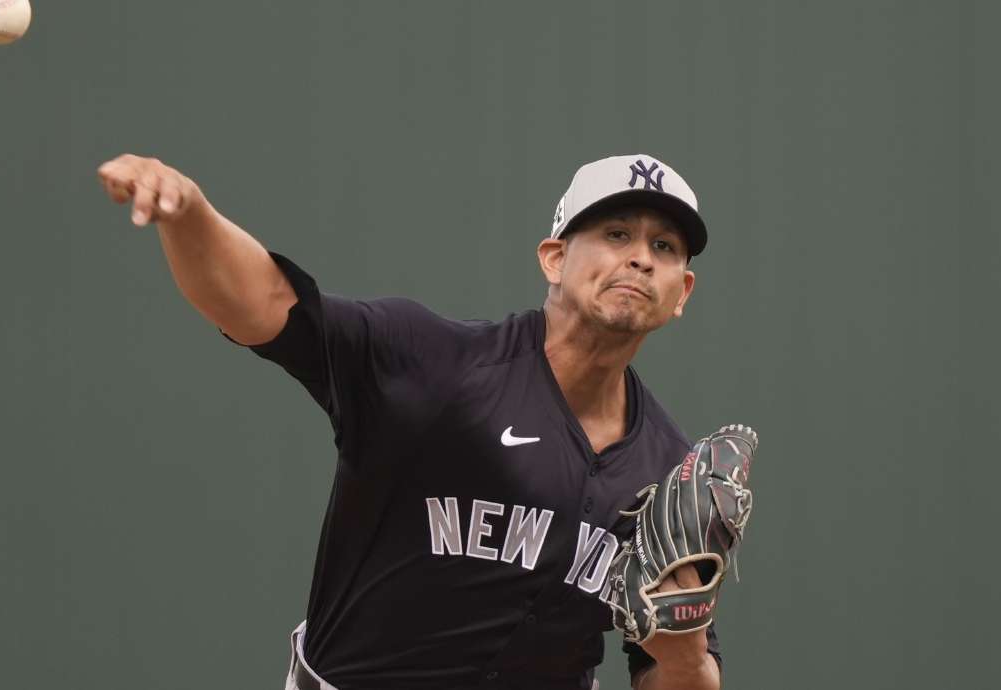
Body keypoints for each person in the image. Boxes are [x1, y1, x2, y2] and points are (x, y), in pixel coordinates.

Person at [96, 153, 724, 690]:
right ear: (554, 258)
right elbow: (266, 305)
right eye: (616, 234)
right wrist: (190, 217)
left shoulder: (671, 471)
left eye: (663, 247)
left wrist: (685, 645)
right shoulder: (436, 365)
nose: (640, 258)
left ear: (684, 292)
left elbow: (675, 677)